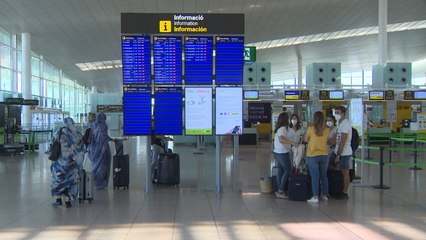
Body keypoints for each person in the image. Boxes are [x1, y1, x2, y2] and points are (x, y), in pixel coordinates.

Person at [48, 117, 84, 208]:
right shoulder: (77, 134)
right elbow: (82, 149)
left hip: (60, 163)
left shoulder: (59, 133)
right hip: (73, 163)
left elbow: (52, 145)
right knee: (70, 181)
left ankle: (58, 199)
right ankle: (68, 201)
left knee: (58, 180)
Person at [305, 111, 330, 204]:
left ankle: (315, 197)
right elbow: (328, 141)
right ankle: (325, 195)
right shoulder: (327, 129)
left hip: (313, 155)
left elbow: (306, 140)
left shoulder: (311, 128)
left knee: (315, 176)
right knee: (324, 176)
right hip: (324, 155)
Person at [273, 112, 299, 199]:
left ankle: (280, 189)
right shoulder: (283, 129)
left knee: (280, 170)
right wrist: (292, 142)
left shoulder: (279, 128)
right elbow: (281, 140)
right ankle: (281, 190)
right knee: (287, 170)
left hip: (277, 152)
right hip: (282, 153)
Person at [329, 106, 352, 199]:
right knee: (330, 165)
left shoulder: (345, 124)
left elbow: (343, 140)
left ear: (343, 113)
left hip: (344, 152)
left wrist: (338, 155)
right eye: (335, 113)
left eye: (338, 112)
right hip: (337, 150)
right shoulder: (340, 123)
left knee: (345, 172)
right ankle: (336, 187)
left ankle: (344, 192)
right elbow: (336, 138)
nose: (336, 114)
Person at [87, 112, 115, 189]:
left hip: (94, 150)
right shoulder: (103, 126)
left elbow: (90, 138)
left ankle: (95, 183)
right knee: (103, 166)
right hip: (103, 150)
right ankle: (101, 184)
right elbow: (104, 137)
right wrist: (112, 140)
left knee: (95, 166)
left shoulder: (93, 125)